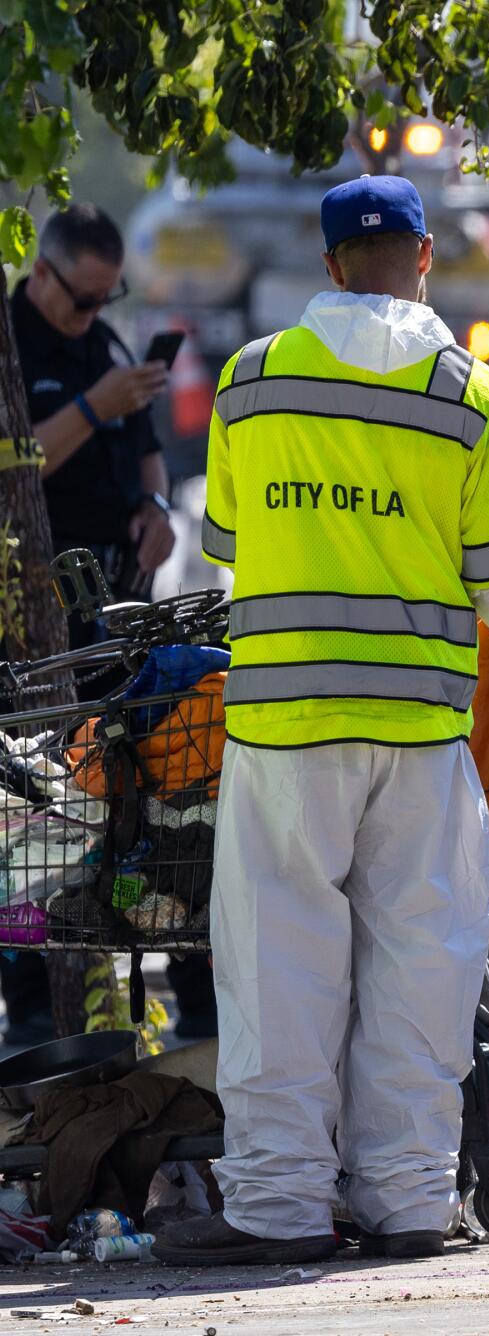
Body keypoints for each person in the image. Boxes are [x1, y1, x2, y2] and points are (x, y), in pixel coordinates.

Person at [154, 176, 489, 1265]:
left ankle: (282, 1202)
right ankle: (410, 1202)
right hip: (423, 735)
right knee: (420, 964)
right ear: (426, 256)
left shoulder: (248, 386)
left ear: (329, 264)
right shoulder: (478, 401)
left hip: (282, 729)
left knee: (278, 964)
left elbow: (229, 546)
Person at [0, 204, 214, 1049]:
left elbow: (147, 448)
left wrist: (157, 508)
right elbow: (20, 462)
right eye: (81, 299)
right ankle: (36, 1013)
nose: (92, 314)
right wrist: (93, 405)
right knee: (36, 824)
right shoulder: (14, 345)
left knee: (160, 809)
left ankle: (193, 1001)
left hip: (110, 617)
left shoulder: (105, 348)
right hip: (31, 629)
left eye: (106, 298)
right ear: (42, 273)